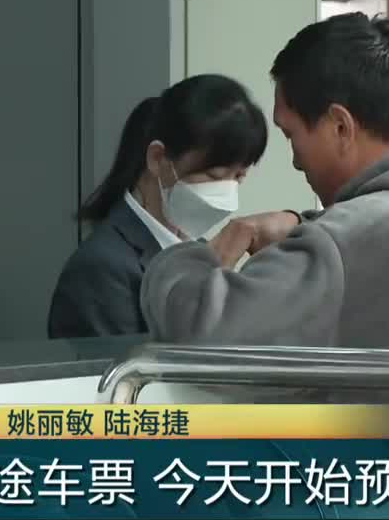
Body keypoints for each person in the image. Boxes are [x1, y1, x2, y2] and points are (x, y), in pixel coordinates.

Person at [138, 12, 389, 438]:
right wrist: (303, 225)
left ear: (339, 126)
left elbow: (209, 336)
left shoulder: (356, 238)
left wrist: (187, 260)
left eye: (292, 135)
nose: (295, 161)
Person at [47, 74, 269, 339]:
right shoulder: (102, 268)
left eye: (239, 177)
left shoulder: (196, 249)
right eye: (214, 176)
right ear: (157, 159)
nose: (226, 191)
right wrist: (213, 275)